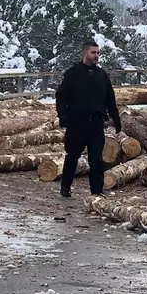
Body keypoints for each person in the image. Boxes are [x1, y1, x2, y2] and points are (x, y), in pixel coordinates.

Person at [55, 41, 122, 198]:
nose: (96, 56)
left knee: (96, 159)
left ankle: (96, 192)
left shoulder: (102, 75)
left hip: (96, 123)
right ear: (84, 53)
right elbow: (61, 96)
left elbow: (110, 99)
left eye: (98, 53)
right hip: (76, 123)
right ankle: (65, 186)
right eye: (93, 53)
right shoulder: (72, 73)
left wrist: (116, 119)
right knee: (72, 156)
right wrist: (63, 116)